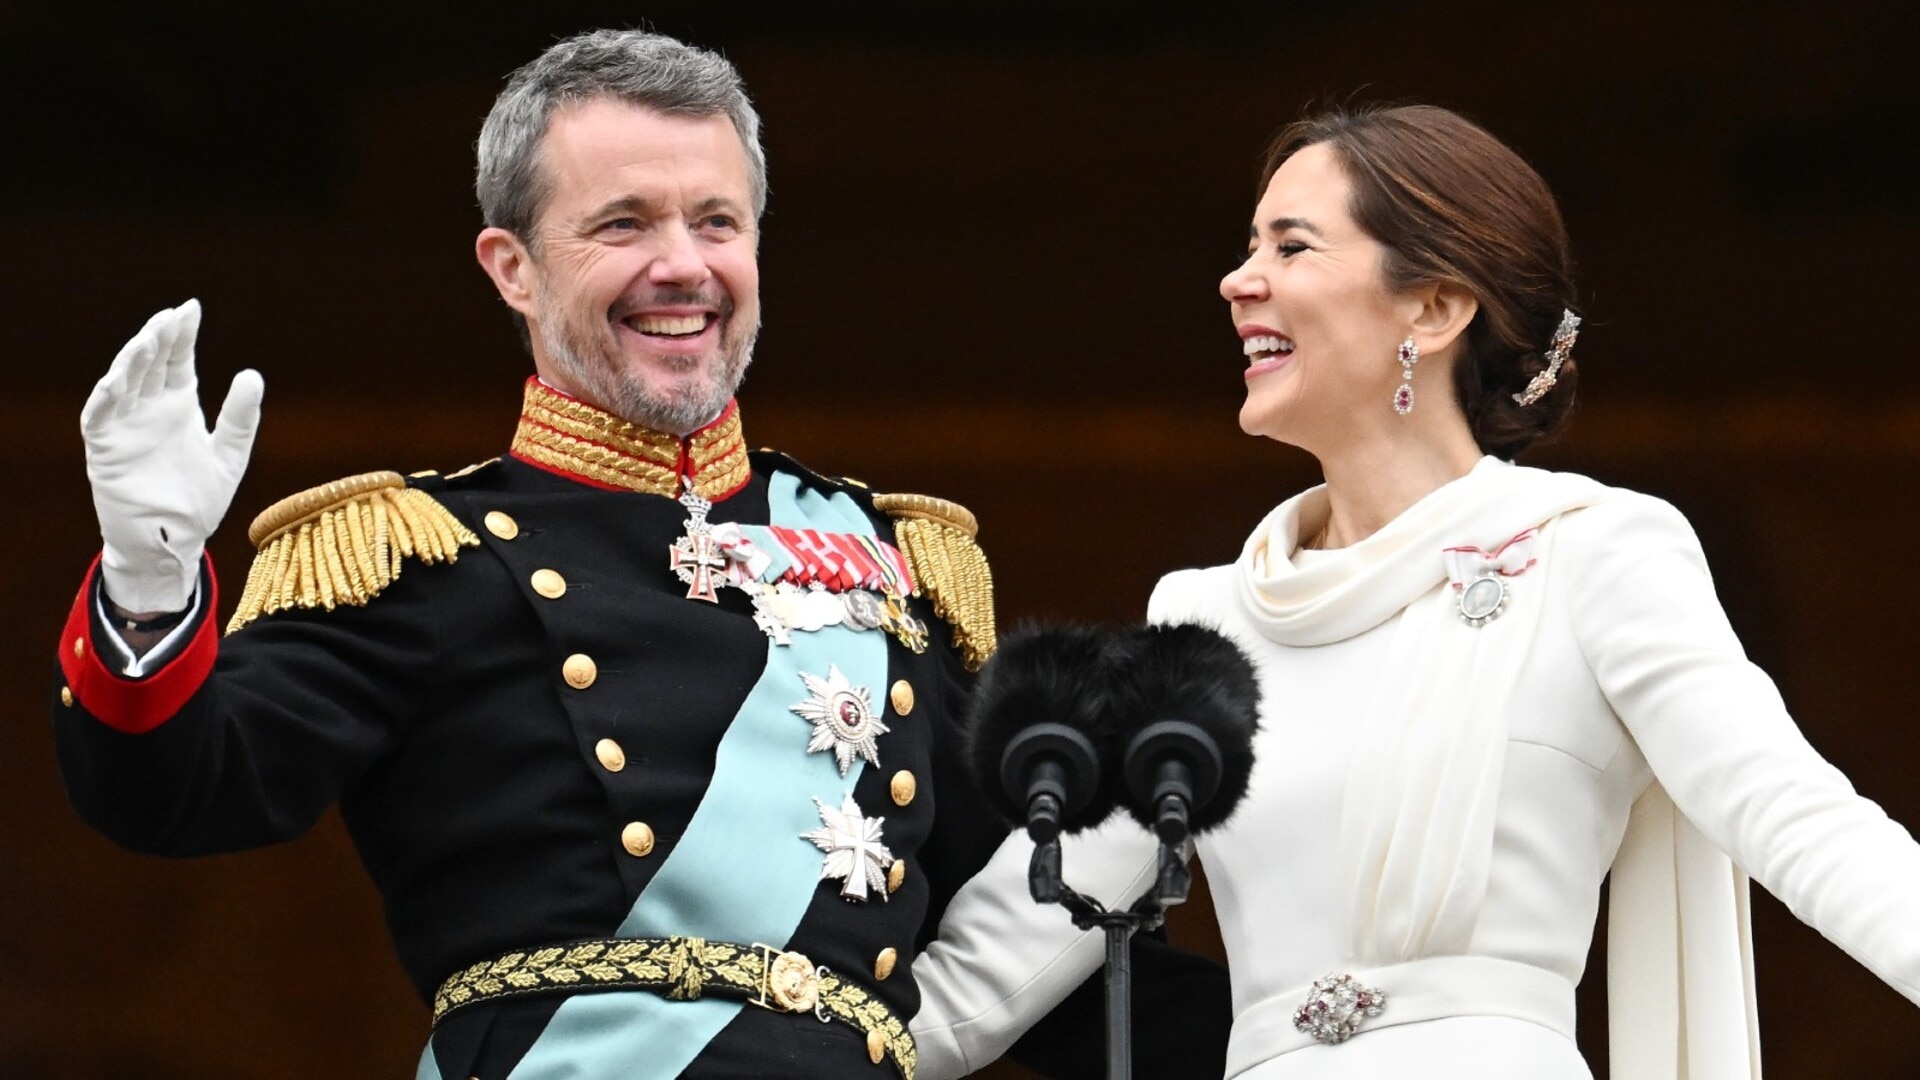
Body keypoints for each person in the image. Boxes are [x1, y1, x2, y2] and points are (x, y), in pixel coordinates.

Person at [50, 29, 1227, 1080]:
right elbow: (179, 794)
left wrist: (1366, 1029)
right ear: (511, 266)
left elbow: (1057, 943)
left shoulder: (889, 562)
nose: (684, 266)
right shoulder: (417, 555)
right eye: (624, 223)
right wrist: (147, 573)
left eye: (716, 222)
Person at [907, 103, 1920, 1079]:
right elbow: (995, 965)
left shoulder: (1594, 552)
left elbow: (1803, 823)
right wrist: (767, 1035)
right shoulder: (1201, 620)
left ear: (1433, 309)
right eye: (1248, 246)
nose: (1237, 281)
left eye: (1291, 248)